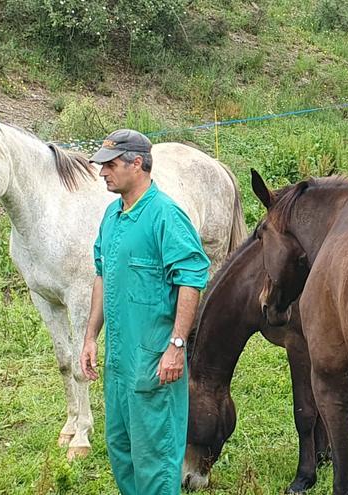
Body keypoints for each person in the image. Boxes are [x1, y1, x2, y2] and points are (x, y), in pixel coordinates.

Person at [80, 129, 211, 495]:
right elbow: (102, 275)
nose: (102, 172)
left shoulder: (166, 216)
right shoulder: (112, 216)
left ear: (137, 163)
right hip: (119, 363)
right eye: (101, 165)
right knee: (122, 451)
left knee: (155, 457)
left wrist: (176, 344)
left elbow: (191, 277)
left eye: (110, 165)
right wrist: (91, 337)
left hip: (155, 363)